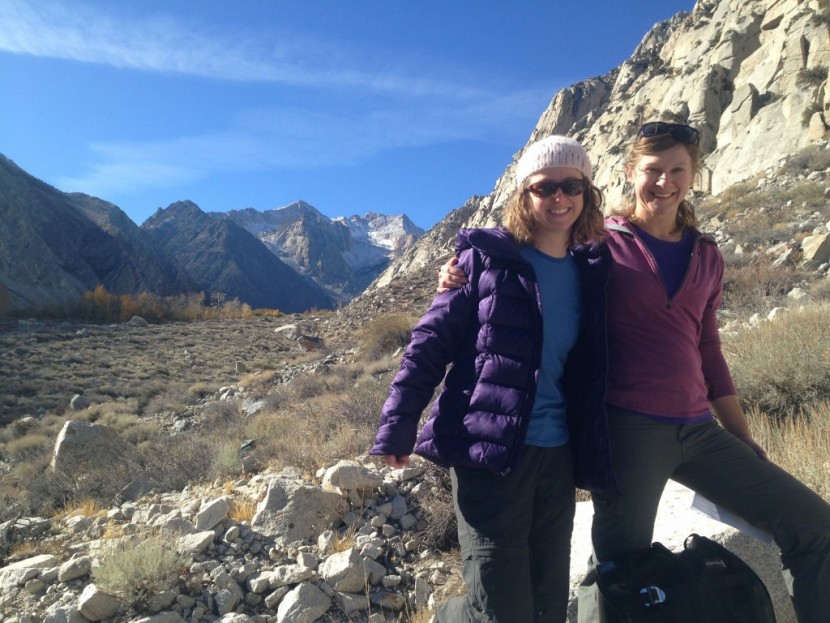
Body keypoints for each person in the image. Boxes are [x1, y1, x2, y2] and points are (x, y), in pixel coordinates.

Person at [437, 121, 830, 623]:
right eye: (652, 171)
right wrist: (457, 270)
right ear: (629, 173)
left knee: (814, 525)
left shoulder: (707, 255)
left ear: (694, 175)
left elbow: (707, 348)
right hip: (630, 430)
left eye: (677, 171)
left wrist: (740, 433)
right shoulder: (597, 245)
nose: (664, 182)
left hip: (699, 430)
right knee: (619, 571)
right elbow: (529, 258)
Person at [370, 135, 613, 623]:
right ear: (524, 194)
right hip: (488, 455)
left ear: (587, 194)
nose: (559, 198)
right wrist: (398, 422)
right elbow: (429, 343)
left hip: (557, 457)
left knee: (546, 603)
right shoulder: (483, 261)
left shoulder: (593, 271)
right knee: (502, 607)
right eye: (545, 188)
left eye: (572, 186)